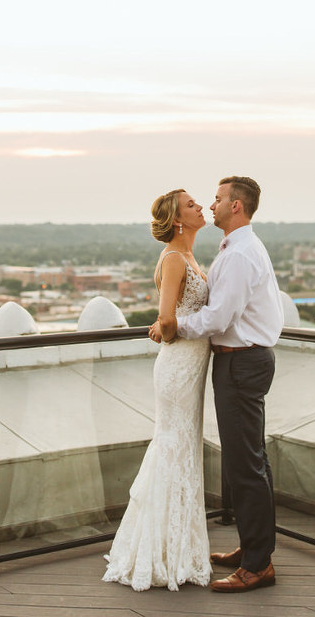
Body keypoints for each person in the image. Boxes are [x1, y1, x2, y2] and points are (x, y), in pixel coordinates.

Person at [149, 176, 283, 593]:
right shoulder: (232, 249)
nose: (212, 204)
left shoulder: (240, 254)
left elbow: (219, 318)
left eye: (218, 198)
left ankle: (258, 565)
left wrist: (172, 327)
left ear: (236, 207)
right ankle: (253, 549)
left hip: (241, 363)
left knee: (245, 465)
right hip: (235, 363)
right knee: (248, 460)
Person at [103, 188, 212, 590]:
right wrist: (161, 327)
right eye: (192, 205)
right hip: (178, 367)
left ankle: (177, 546)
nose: (200, 206)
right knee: (172, 446)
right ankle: (158, 552)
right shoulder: (172, 258)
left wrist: (167, 324)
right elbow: (167, 322)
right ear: (178, 219)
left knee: (185, 448)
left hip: (193, 366)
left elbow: (171, 316)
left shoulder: (189, 257)